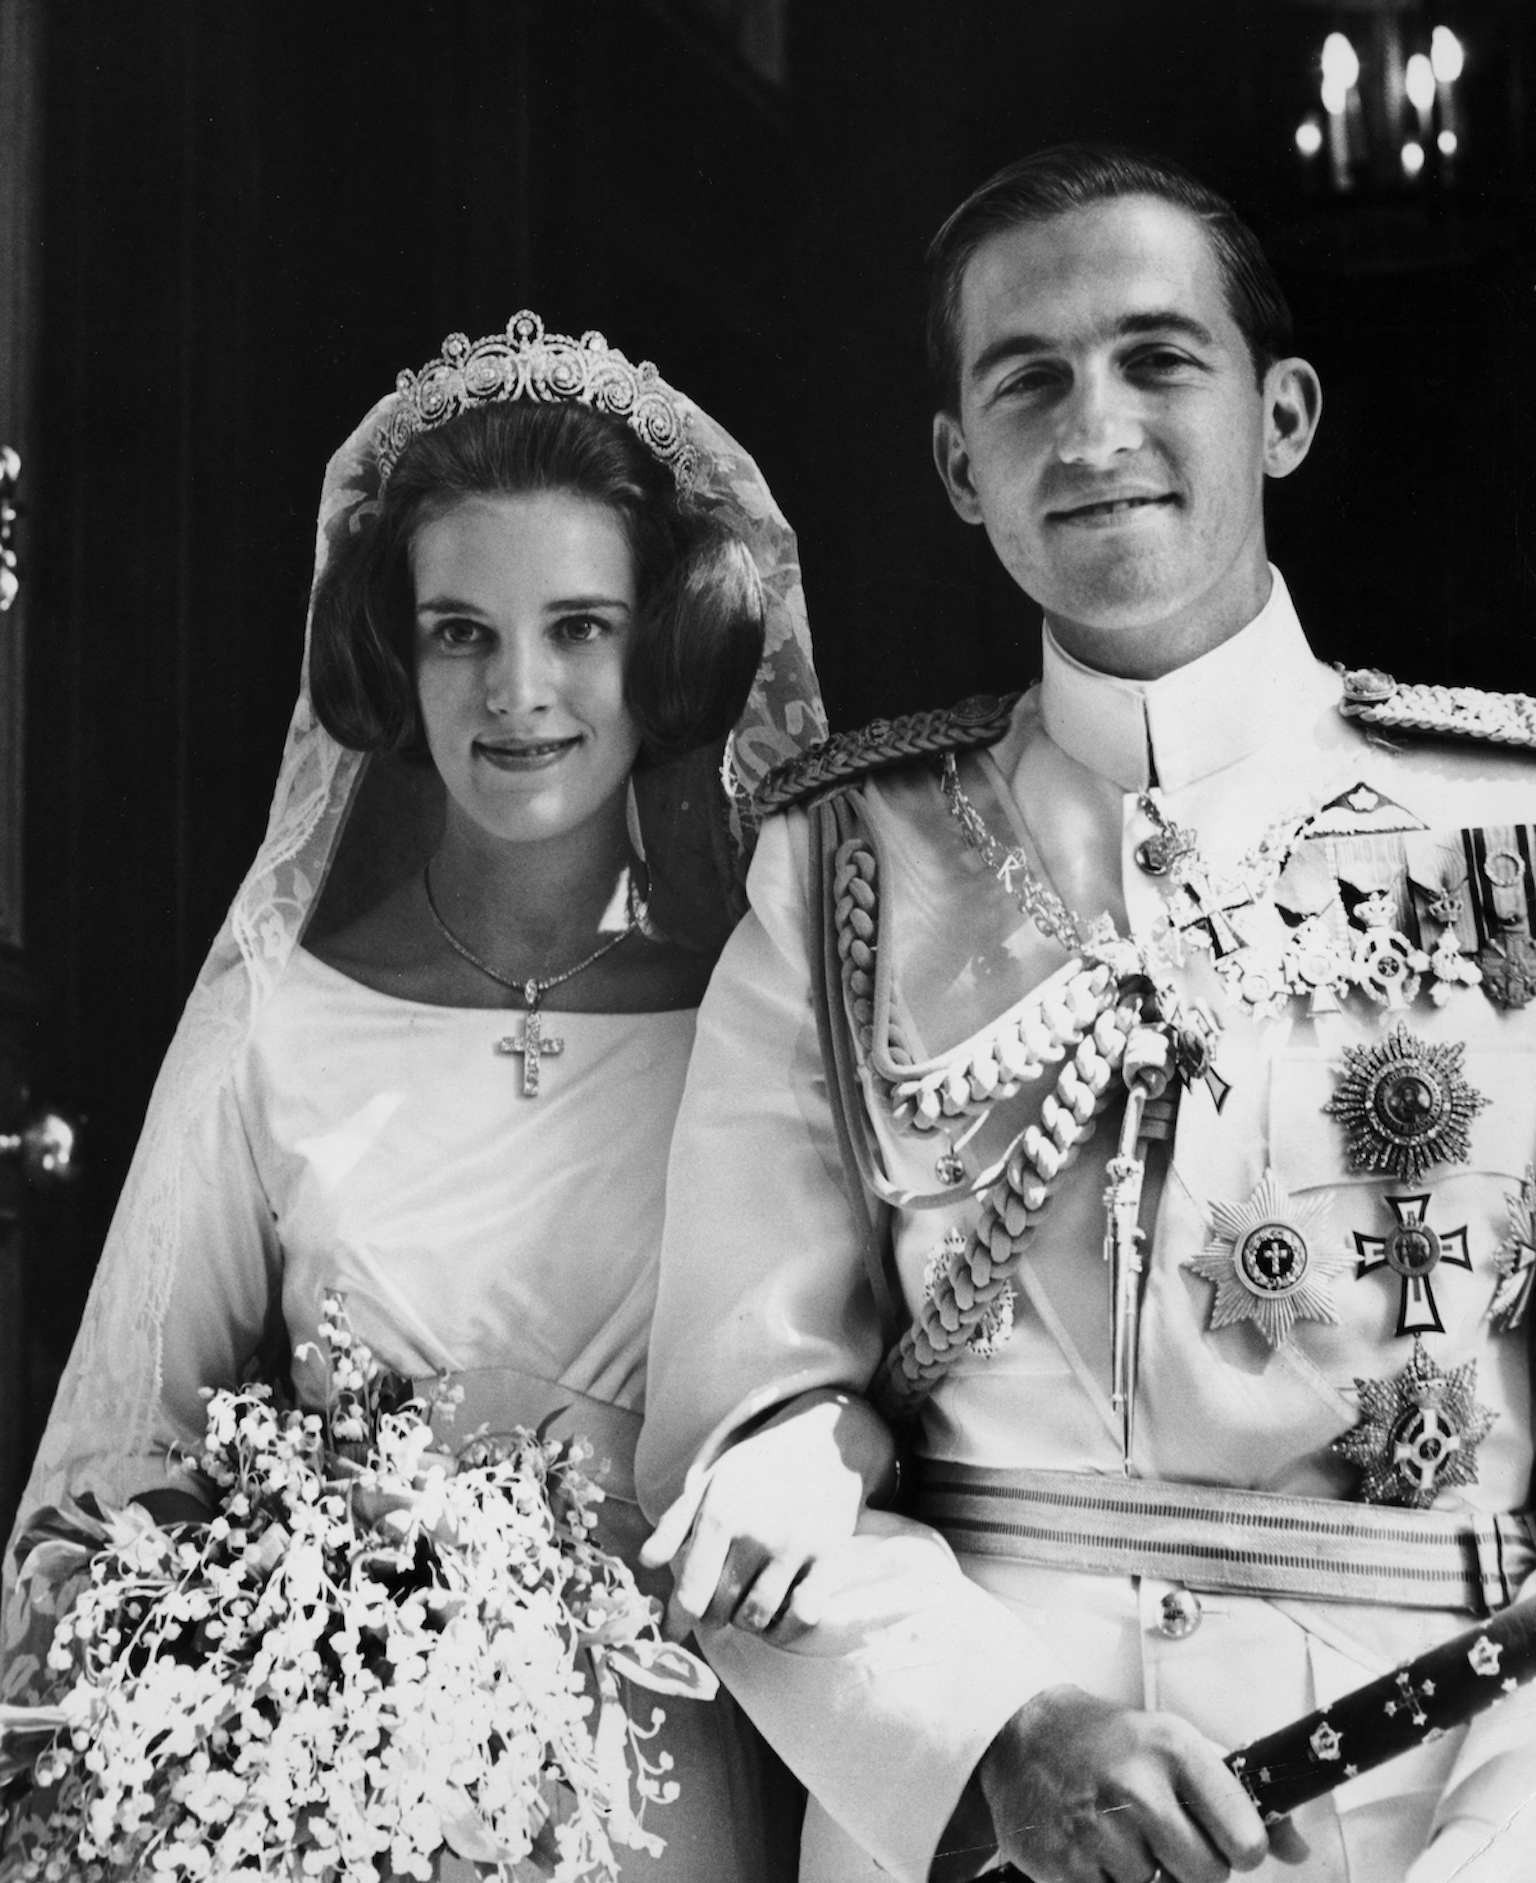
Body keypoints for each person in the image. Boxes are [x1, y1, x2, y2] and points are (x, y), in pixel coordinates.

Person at [635, 148, 1536, 1883]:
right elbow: (743, 1433)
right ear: (960, 469)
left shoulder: (1503, 828)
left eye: (1158, 358)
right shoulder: (843, 867)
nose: (1094, 422)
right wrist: (992, 1739)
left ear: (1281, 414)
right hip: (987, 1832)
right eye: (1027, 379)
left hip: (1440, 1807)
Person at [0, 311, 895, 1879]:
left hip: (681, 1775)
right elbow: (118, 1470)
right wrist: (256, 1664)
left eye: (582, 626)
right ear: (392, 653)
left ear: (667, 643)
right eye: (461, 631)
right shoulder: (287, 1018)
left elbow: (904, 1385)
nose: (519, 691)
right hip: (345, 1794)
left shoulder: (766, 1011)